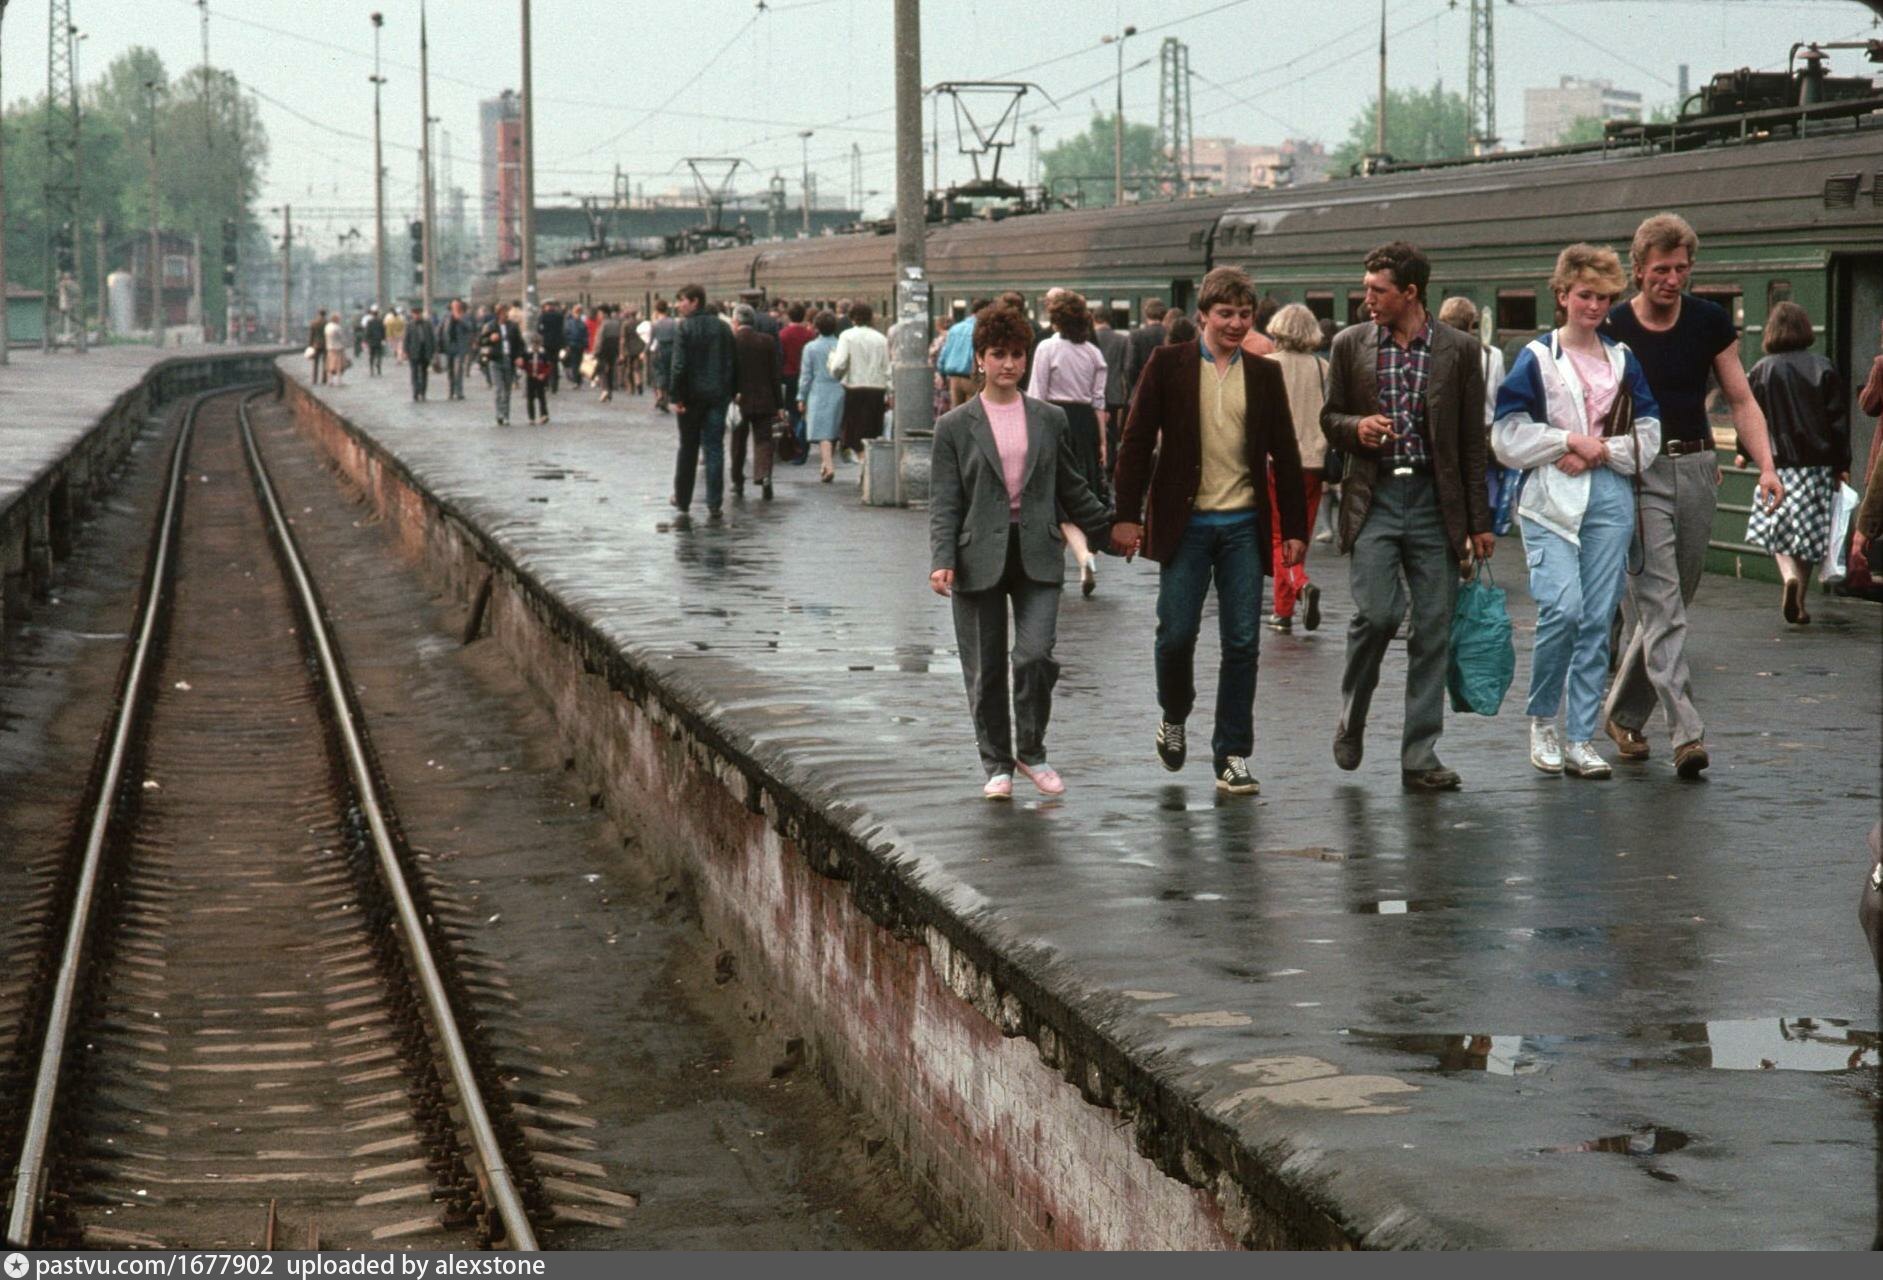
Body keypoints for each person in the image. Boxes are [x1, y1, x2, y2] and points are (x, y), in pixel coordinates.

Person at [1110, 266, 1309, 796]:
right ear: (1203, 316)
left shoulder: (1264, 375)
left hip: (1244, 523)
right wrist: (1126, 516)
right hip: (1187, 525)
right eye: (1225, 314)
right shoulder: (1167, 364)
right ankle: (1174, 714)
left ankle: (1232, 754)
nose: (1236, 324)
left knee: (1242, 641)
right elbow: (1134, 443)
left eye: (1245, 315)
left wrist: (1294, 527)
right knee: (1176, 635)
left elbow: (1285, 454)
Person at [1599, 213, 1783, 778]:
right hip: (1637, 474)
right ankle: (1687, 732)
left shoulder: (1708, 322)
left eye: (1681, 269)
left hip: (1698, 467)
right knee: (1662, 604)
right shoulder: (1612, 328)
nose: (1672, 279)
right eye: (1661, 269)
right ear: (1638, 269)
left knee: (1674, 600)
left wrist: (1767, 466)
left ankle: (1623, 714)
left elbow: (1741, 398)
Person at [1321, 240, 1493, 791]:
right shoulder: (1350, 345)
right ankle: (1352, 716)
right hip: (1373, 499)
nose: (1366, 299)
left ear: (1411, 293)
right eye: (1366, 288)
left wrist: (1479, 520)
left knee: (1434, 628)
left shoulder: (1460, 352)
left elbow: (1472, 442)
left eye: (1378, 290)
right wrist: (1356, 429)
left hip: (1432, 503)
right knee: (1376, 614)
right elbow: (1330, 418)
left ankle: (1419, 756)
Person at [929, 305, 1113, 801]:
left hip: (1036, 550)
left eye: (1017, 355)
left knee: (1034, 655)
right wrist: (941, 558)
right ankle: (996, 763)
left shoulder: (1048, 418)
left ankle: (1031, 751)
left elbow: (1071, 488)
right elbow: (946, 500)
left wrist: (1112, 533)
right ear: (980, 361)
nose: (1009, 364)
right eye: (998, 355)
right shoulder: (954, 426)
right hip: (975, 556)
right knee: (985, 668)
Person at [1493, 244, 1663, 779]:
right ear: (1562, 295)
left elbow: (1648, 436)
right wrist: (1565, 439)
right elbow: (1505, 435)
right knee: (1562, 611)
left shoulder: (1622, 359)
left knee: (1595, 621)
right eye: (1584, 295)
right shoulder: (1538, 358)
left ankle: (1581, 736)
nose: (1594, 306)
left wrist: (1596, 450)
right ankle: (1543, 720)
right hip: (1550, 501)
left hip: (1610, 498)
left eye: (1604, 297)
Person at [1028, 291, 1111, 597]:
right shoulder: (1094, 354)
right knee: (1080, 494)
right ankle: (1068, 568)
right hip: (1086, 424)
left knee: (1056, 498)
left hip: (1054, 421)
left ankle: (1082, 556)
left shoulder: (1047, 349)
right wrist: (1102, 442)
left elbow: (1037, 394)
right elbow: (1099, 401)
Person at [1261, 303, 1331, 632]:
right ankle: (1283, 611)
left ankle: (1299, 585)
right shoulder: (1322, 367)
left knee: (1277, 535)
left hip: (1276, 462)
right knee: (1299, 535)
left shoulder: (1264, 365)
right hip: (1314, 462)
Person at [668, 284, 738, 524]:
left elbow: (679, 366)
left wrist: (676, 397)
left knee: (688, 448)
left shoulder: (684, 328)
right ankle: (714, 503)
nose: (679, 305)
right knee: (714, 448)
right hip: (718, 397)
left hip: (690, 399)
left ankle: (683, 499)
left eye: (682, 300)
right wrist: (732, 391)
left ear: (695, 301)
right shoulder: (723, 328)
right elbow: (733, 362)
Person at [731, 305, 783, 501]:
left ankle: (737, 481)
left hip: (740, 400)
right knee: (763, 441)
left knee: (738, 443)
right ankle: (764, 476)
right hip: (765, 399)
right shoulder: (767, 341)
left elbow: (730, 373)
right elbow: (774, 375)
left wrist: (730, 394)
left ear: (736, 321)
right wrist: (780, 405)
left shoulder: (732, 342)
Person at [830, 301, 890, 461]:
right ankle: (869, 466)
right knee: (872, 432)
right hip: (877, 390)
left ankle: (863, 463)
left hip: (855, 389)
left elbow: (840, 363)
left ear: (852, 318)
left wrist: (835, 374)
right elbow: (887, 368)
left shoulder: (847, 336)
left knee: (854, 434)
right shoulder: (881, 339)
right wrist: (890, 391)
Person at [797, 310, 845, 482]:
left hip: (819, 390)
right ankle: (826, 465)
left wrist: (801, 397)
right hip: (839, 389)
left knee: (823, 432)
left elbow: (806, 376)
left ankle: (829, 466)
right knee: (833, 429)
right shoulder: (841, 345)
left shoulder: (810, 348)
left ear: (816, 327)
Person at [1092, 305, 1131, 475]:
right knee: (1112, 431)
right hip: (1114, 392)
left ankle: (1098, 462)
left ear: (1095, 319)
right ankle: (1111, 462)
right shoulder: (1121, 340)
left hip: (1092, 392)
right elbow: (1126, 368)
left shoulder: (1088, 339)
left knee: (1095, 428)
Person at [779, 303, 815, 463]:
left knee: (792, 412)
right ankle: (803, 445)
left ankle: (794, 445)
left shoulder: (782, 335)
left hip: (789, 376)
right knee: (804, 412)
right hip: (806, 376)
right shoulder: (810, 335)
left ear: (788, 315)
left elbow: (780, 358)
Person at [479, 302, 525, 426]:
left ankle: (506, 415)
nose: (505, 315)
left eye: (506, 312)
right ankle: (499, 413)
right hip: (495, 360)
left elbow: (520, 344)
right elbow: (481, 341)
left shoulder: (513, 327)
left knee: (507, 390)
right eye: (502, 312)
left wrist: (519, 356)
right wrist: (490, 339)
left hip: (509, 360)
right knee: (499, 388)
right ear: (498, 313)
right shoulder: (490, 326)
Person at [936, 299, 987, 409]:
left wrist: (942, 373)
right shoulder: (979, 329)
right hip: (972, 377)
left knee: (956, 414)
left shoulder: (955, 328)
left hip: (954, 378)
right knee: (974, 413)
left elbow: (944, 353)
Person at [1124, 298, 1168, 394]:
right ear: (1164, 314)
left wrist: (1135, 387)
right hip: (1165, 390)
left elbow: (1130, 367)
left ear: (1146, 314)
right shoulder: (1169, 334)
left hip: (1142, 390)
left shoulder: (1136, 335)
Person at [650, 299, 678, 413]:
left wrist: (645, 351)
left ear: (656, 310)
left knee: (659, 373)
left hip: (659, 349)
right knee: (668, 373)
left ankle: (660, 394)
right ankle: (665, 400)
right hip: (671, 349)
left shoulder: (655, 324)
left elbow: (651, 340)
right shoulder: (674, 323)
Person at [444, 299, 474, 401]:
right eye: (453, 306)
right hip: (449, 346)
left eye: (457, 305)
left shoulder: (465, 316)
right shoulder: (447, 316)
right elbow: (441, 329)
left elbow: (470, 327)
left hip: (460, 347)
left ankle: (459, 392)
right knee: (450, 370)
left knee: (458, 370)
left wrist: (459, 319)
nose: (455, 307)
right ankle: (451, 391)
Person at [405, 305, 437, 402]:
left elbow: (432, 338)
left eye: (418, 314)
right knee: (414, 373)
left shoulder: (427, 324)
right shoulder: (410, 325)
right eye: (415, 314)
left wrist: (434, 351)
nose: (417, 316)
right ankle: (415, 392)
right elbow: (406, 340)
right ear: (412, 315)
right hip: (413, 352)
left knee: (424, 373)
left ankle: (423, 392)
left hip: (425, 351)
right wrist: (406, 351)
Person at [523, 336, 554, 424]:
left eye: (537, 344)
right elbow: (524, 364)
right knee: (530, 397)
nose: (535, 347)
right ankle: (531, 417)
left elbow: (548, 365)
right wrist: (528, 372)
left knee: (542, 397)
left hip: (541, 377)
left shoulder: (543, 353)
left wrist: (544, 374)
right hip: (531, 377)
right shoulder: (527, 353)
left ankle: (544, 415)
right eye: (534, 344)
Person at [594, 305, 621, 402]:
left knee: (601, 369)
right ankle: (609, 391)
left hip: (603, 349)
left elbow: (599, 339)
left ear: (604, 314)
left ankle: (605, 389)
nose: (598, 315)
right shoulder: (616, 323)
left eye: (599, 313)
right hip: (614, 349)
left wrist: (596, 351)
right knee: (610, 370)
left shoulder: (604, 324)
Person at [538, 300, 566, 394]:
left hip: (547, 343)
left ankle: (546, 384)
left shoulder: (543, 316)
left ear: (546, 307)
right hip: (557, 343)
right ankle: (555, 386)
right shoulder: (559, 316)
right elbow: (562, 328)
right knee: (555, 363)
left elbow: (539, 329)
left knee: (546, 363)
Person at [323, 310, 350, 387]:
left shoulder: (327, 327)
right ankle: (339, 381)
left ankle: (330, 381)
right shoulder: (337, 327)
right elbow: (341, 338)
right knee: (338, 366)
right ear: (337, 319)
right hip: (338, 348)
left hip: (329, 348)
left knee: (330, 365)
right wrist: (344, 346)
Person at [307, 309, 328, 384]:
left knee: (315, 363)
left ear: (318, 313)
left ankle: (314, 379)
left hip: (316, 345)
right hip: (325, 345)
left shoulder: (314, 323)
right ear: (325, 314)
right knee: (325, 362)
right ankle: (324, 379)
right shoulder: (327, 323)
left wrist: (310, 345)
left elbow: (311, 335)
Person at [365, 306, 387, 377]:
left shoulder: (369, 322)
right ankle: (379, 366)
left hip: (371, 341)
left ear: (372, 314)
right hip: (379, 340)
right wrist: (384, 339)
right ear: (377, 314)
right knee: (379, 354)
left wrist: (366, 340)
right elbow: (383, 331)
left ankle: (371, 370)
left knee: (371, 355)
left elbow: (367, 332)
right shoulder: (380, 321)